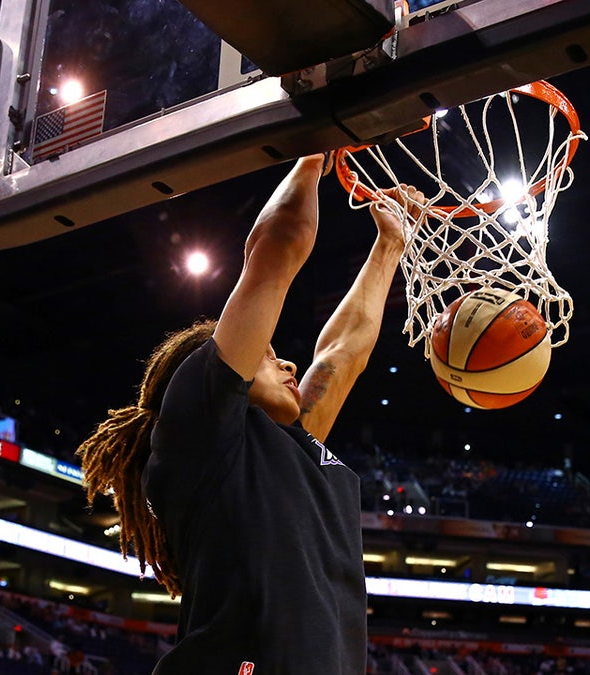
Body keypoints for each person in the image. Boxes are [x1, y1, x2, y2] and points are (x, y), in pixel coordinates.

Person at [76, 155, 415, 674]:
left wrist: (391, 243)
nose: (289, 363)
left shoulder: (290, 444)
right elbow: (274, 255)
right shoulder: (200, 425)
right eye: (267, 352)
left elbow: (344, 351)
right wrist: (311, 157)